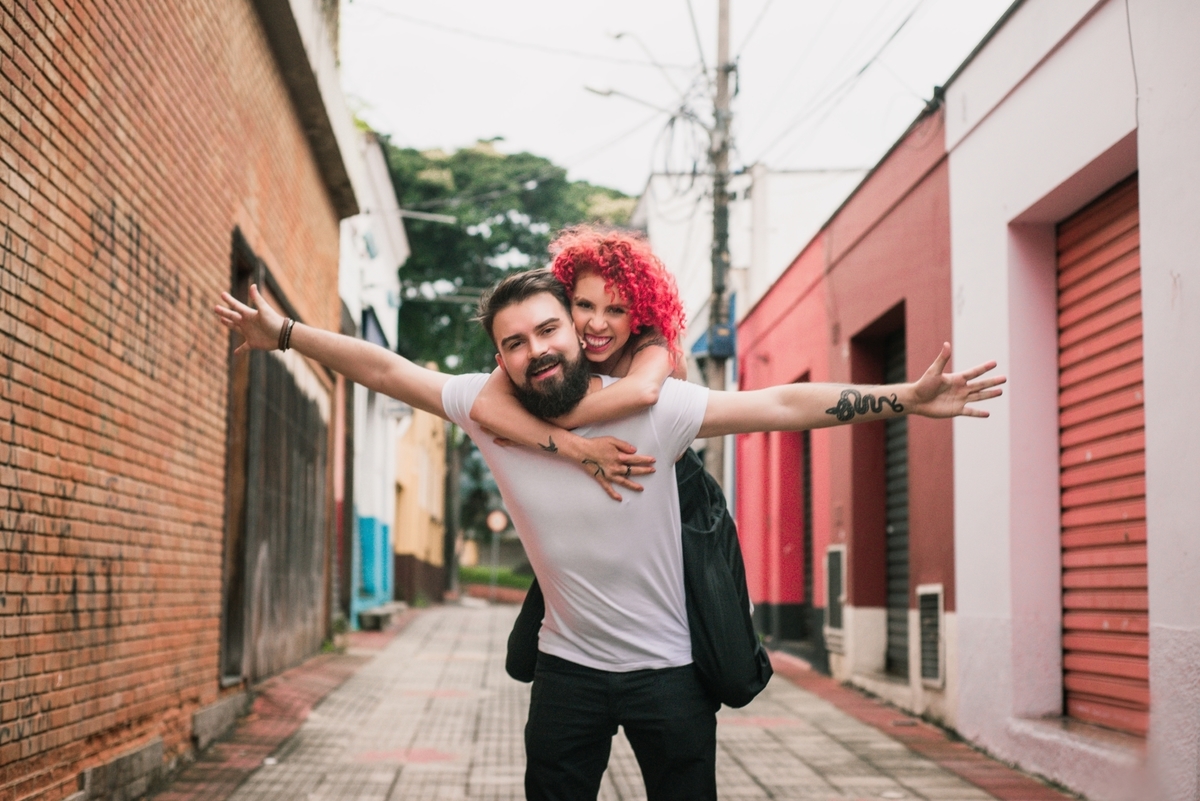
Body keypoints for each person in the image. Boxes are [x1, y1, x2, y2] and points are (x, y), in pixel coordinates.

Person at [213, 267, 1004, 801]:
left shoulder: (654, 410)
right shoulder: (489, 417)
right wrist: (283, 333)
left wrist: (906, 396)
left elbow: (784, 405)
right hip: (568, 674)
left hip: (672, 675)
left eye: (549, 329)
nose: (537, 350)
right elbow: (385, 368)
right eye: (514, 343)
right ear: (498, 358)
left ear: (580, 332)